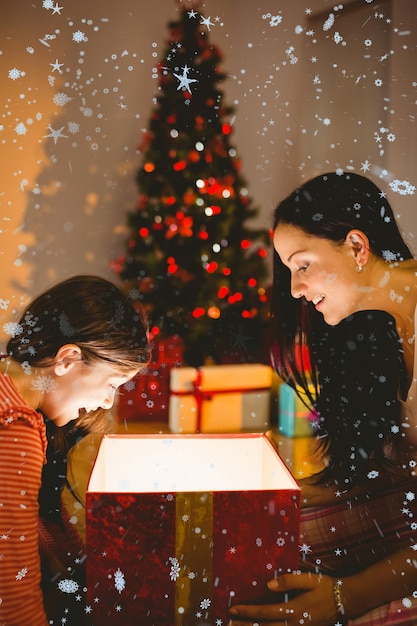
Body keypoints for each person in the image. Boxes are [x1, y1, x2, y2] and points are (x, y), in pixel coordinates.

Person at [229, 172, 417, 625]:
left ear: (357, 246)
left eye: (303, 265)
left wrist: (344, 598)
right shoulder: (381, 325)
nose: (294, 289)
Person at [0, 274, 149, 626]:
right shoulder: (14, 427)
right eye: (111, 384)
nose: (105, 401)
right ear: (67, 359)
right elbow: (13, 596)